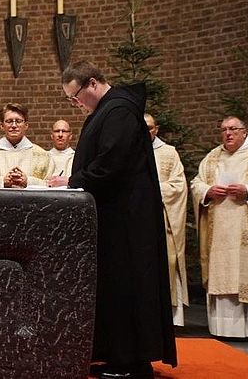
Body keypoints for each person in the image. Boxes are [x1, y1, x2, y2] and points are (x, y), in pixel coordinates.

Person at [47, 61, 176, 378]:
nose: (75, 103)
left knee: (126, 284)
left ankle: (131, 361)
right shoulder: (108, 109)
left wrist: (74, 181)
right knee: (114, 284)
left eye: (75, 96)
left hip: (127, 219)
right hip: (115, 214)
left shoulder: (118, 109)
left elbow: (112, 163)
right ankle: (115, 353)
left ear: (91, 83)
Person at [191, 116, 248, 338]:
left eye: (233, 129)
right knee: (221, 275)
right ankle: (221, 329)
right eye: (223, 130)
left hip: (247, 228)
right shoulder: (213, 157)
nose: (227, 134)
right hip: (219, 231)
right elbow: (196, 183)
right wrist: (208, 191)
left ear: (244, 131)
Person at [144, 113, 189, 327]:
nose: (146, 131)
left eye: (150, 127)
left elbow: (179, 186)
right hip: (139, 218)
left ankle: (170, 320)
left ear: (157, 129)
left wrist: (152, 190)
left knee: (167, 262)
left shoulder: (169, 153)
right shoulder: (132, 150)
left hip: (163, 217)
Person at [0, 103, 54, 188]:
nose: (14, 125)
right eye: (9, 121)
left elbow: (54, 186)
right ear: (2, 126)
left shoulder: (43, 155)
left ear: (26, 125)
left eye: (18, 121)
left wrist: (28, 182)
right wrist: (1, 182)